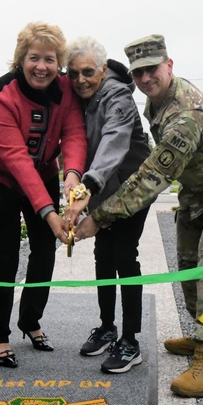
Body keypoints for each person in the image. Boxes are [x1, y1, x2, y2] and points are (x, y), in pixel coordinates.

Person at [74, 34, 203, 397]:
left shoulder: (185, 115)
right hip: (200, 188)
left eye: (152, 70)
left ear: (169, 65)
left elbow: (152, 177)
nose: (145, 79)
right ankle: (202, 335)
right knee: (189, 262)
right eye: (139, 72)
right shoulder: (158, 101)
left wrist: (99, 217)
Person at [0, 21, 87, 368]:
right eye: (33, 58)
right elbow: (14, 158)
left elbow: (73, 134)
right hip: (2, 179)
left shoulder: (65, 90)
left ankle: (30, 321)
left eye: (49, 59)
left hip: (43, 173)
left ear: (59, 64)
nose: (41, 67)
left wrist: (72, 175)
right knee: (7, 252)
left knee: (45, 248)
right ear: (20, 59)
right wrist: (48, 210)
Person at [62, 36, 153, 373]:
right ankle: (106, 327)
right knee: (103, 255)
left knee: (124, 256)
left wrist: (88, 183)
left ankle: (130, 340)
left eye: (88, 72)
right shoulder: (77, 96)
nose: (81, 80)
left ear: (102, 69)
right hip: (99, 189)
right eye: (73, 74)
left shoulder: (119, 97)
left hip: (131, 190)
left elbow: (113, 142)